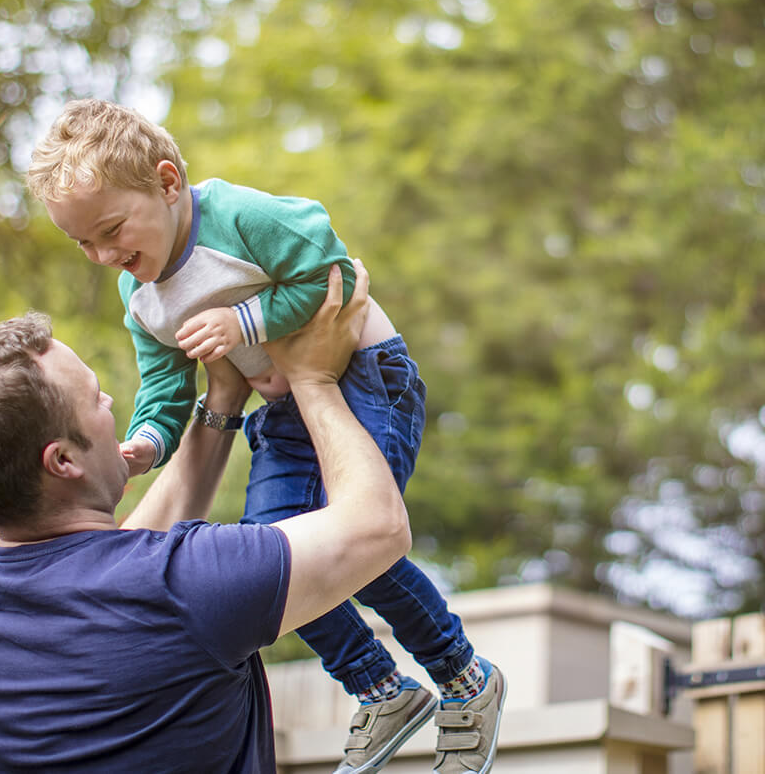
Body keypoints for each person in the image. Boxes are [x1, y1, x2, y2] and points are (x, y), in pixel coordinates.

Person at [27, 99, 505, 774]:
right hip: (285, 413)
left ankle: (465, 678)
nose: (107, 256)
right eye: (84, 244)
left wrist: (244, 323)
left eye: (111, 230)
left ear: (167, 183)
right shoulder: (142, 300)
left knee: (355, 540)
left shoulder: (238, 218)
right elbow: (168, 390)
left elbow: (329, 269)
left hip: (368, 377)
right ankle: (380, 686)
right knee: (272, 555)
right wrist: (146, 444)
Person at [0, 265, 413, 771]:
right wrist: (312, 378)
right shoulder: (186, 584)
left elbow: (119, 570)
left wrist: (222, 400)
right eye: (95, 398)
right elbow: (379, 526)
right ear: (63, 461)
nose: (111, 402)